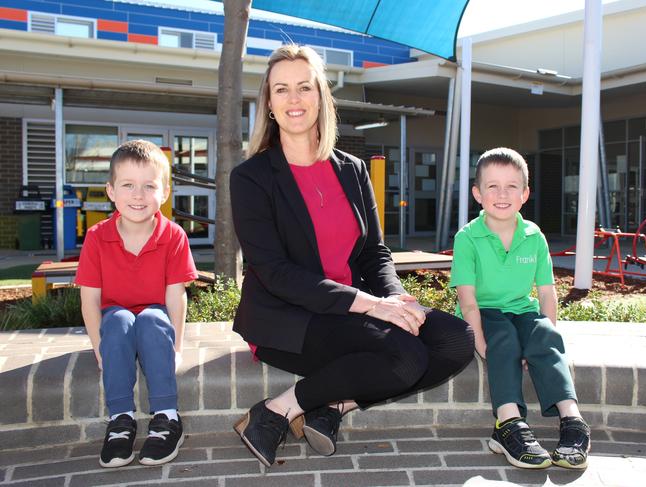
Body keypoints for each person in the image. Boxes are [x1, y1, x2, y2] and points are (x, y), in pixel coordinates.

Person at [229, 44, 475, 468]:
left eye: (304, 87)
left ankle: (332, 406)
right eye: (281, 89)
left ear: (321, 96)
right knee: (405, 357)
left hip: (352, 311)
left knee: (456, 340)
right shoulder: (251, 178)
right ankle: (276, 410)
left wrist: (396, 299)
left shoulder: (352, 169)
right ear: (268, 103)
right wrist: (373, 306)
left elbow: (374, 252)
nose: (294, 99)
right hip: (289, 318)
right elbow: (274, 272)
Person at [450, 147, 591, 470]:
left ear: (525, 193)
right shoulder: (468, 238)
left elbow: (547, 293)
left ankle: (572, 420)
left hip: (520, 310)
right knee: (503, 338)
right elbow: (468, 300)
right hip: (484, 312)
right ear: (477, 193)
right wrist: (483, 347)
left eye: (512, 186)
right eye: (492, 186)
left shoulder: (534, 236)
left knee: (544, 333)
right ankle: (508, 424)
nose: (502, 194)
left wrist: (544, 332)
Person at [76, 140, 198, 468]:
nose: (138, 195)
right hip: (115, 316)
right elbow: (89, 300)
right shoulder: (97, 237)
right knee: (117, 323)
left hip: (153, 316)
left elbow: (175, 296)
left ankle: (167, 417)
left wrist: (177, 348)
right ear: (111, 191)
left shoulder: (173, 236)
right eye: (128, 185)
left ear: (165, 192)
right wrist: (99, 347)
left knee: (153, 320)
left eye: (149, 186)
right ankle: (121, 420)